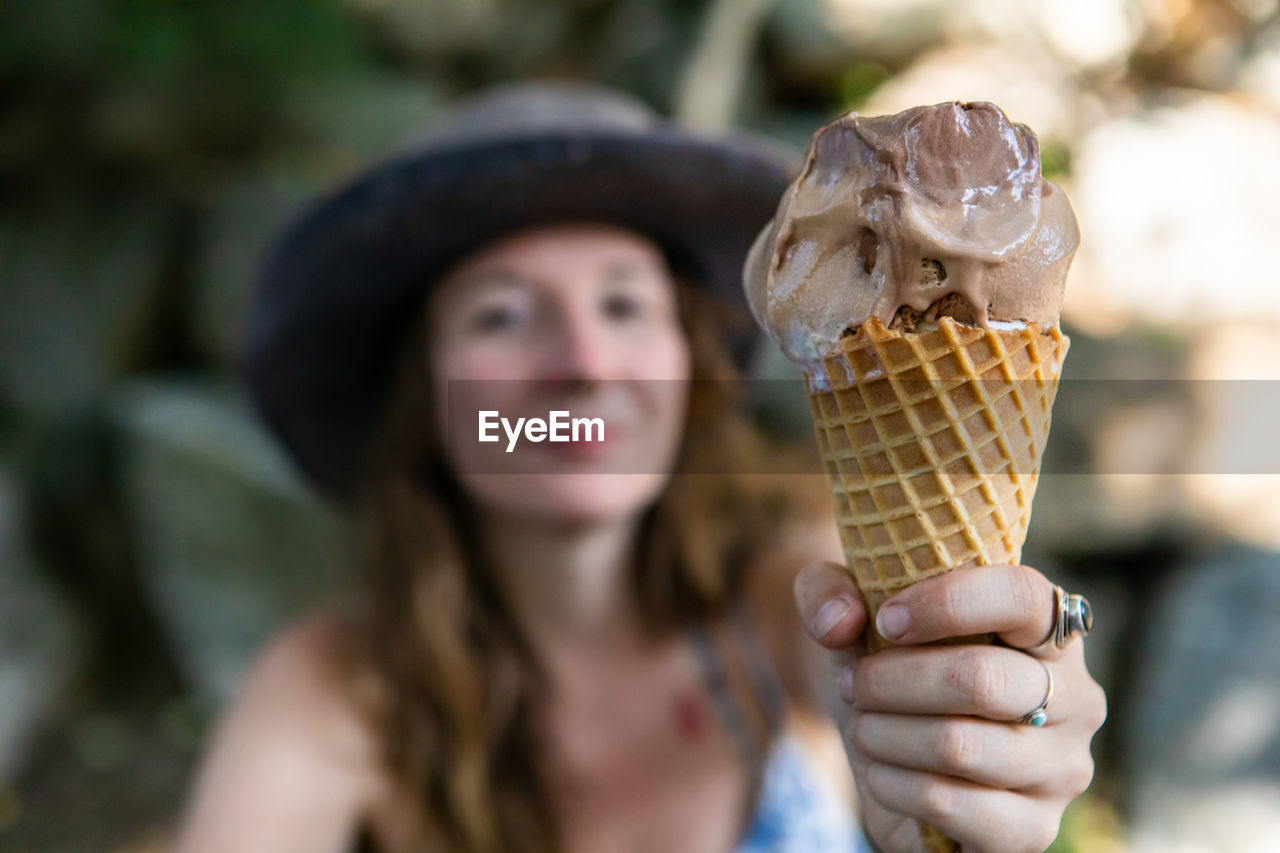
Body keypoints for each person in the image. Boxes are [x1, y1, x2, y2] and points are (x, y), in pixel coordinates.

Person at [175, 82, 1106, 853]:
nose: (583, 360)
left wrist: (967, 735)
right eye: (501, 316)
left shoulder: (788, 595)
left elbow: (870, 662)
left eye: (624, 305)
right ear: (427, 406)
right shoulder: (337, 690)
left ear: (687, 369)